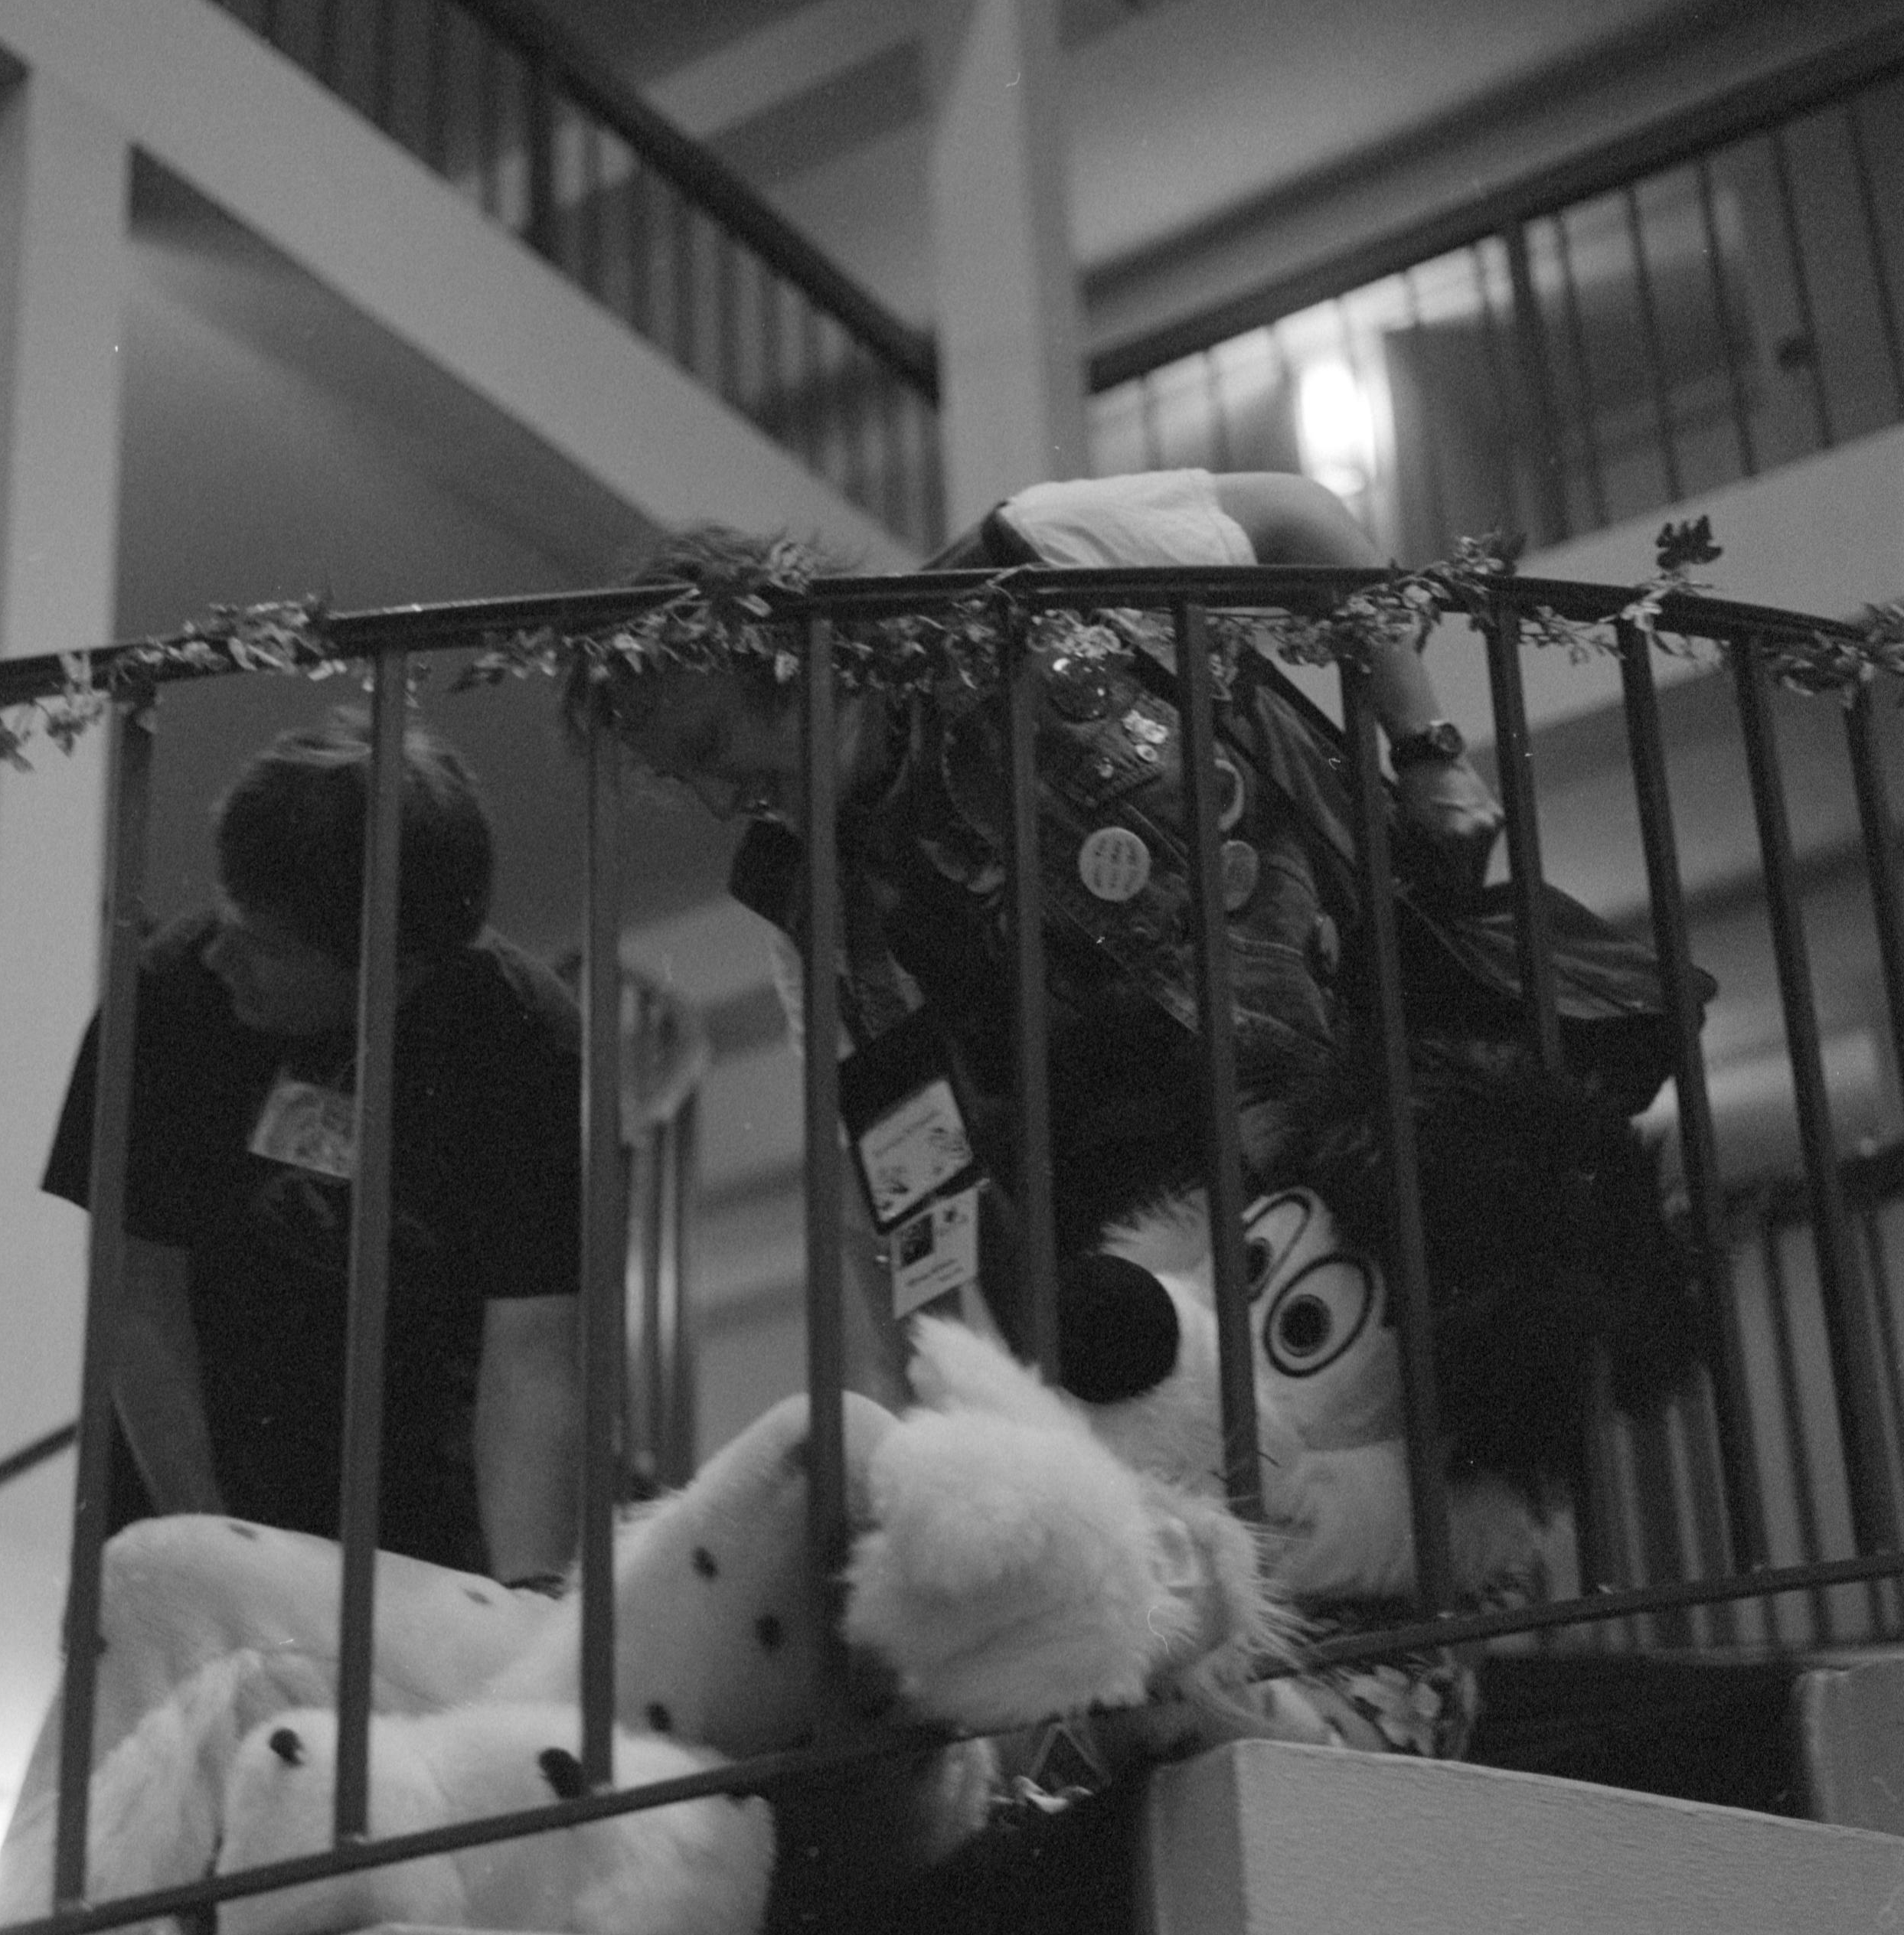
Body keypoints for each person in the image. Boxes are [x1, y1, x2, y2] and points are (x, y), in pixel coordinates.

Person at [571, 467, 1510, 1310]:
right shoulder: (803, 904)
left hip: (1392, 1118)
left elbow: (1299, 518)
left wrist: (1428, 751)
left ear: (771, 652)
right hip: (1159, 1291)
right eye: (681, 779)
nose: (716, 800)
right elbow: (899, 1176)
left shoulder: (1030, 556)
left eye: (706, 747)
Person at [44, 713, 583, 1582]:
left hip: (417, 1519)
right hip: (184, 1481)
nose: (219, 957)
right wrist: (209, 1544)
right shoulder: (165, 999)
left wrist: (528, 1597)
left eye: (264, 945)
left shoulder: (522, 1038)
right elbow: (138, 1296)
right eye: (227, 914)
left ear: (391, 968)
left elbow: (533, 1349)